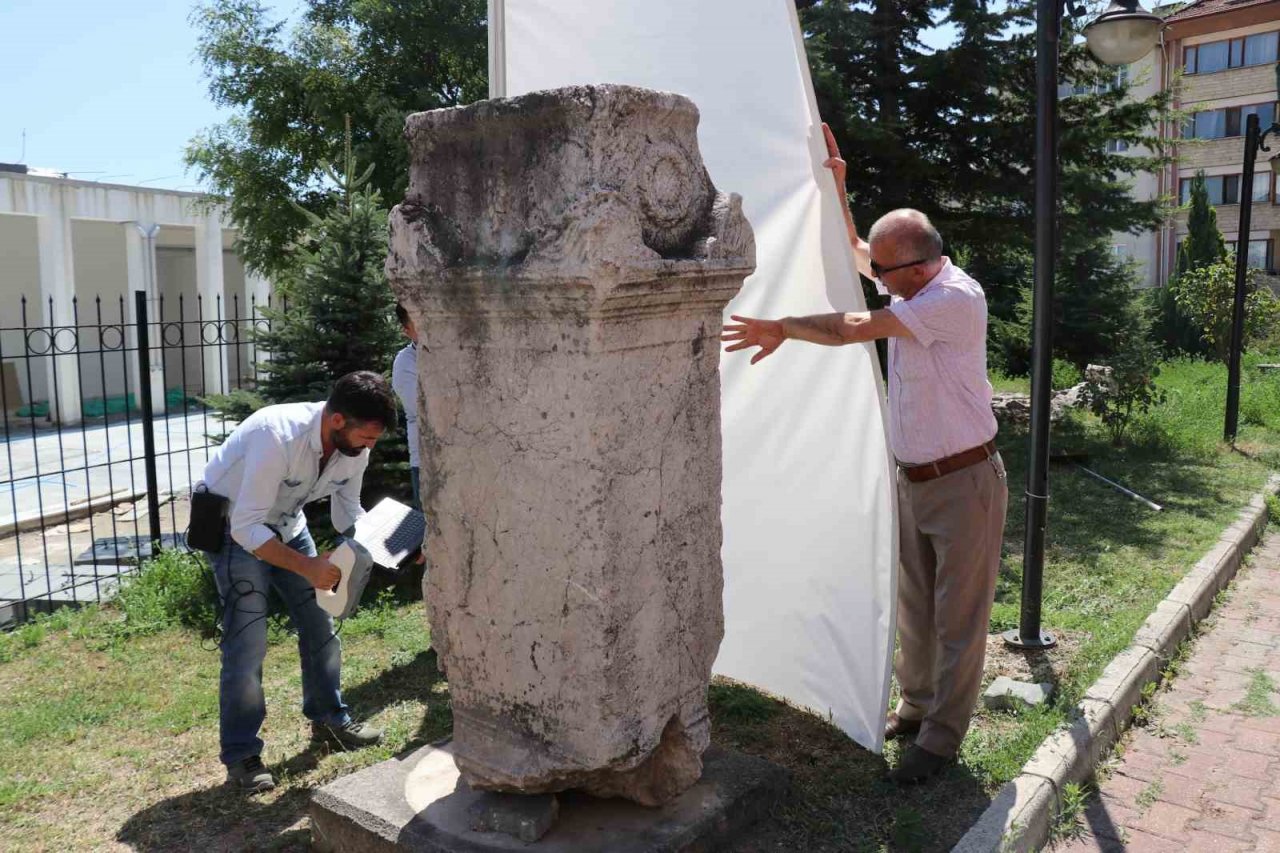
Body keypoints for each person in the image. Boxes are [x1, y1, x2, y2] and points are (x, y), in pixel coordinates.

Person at [721, 124, 1008, 784]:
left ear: (920, 264)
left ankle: (940, 738)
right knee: (916, 604)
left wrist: (782, 328)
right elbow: (854, 250)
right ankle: (914, 706)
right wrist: (838, 187)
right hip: (916, 477)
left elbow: (855, 326)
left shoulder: (951, 299)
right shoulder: (909, 279)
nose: (875, 279)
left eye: (885, 272)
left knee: (959, 617)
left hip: (965, 480)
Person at [198, 370, 397, 793]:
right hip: (234, 529)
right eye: (366, 437)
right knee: (247, 645)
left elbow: (348, 513)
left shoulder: (355, 448)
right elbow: (247, 527)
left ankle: (330, 720)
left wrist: (392, 544)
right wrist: (308, 568)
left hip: (288, 526)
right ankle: (241, 756)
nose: (370, 448)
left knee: (321, 626)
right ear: (337, 420)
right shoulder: (276, 435)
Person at [391, 304, 422, 510]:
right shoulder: (406, 362)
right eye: (418, 323)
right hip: (426, 460)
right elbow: (425, 410)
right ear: (407, 331)